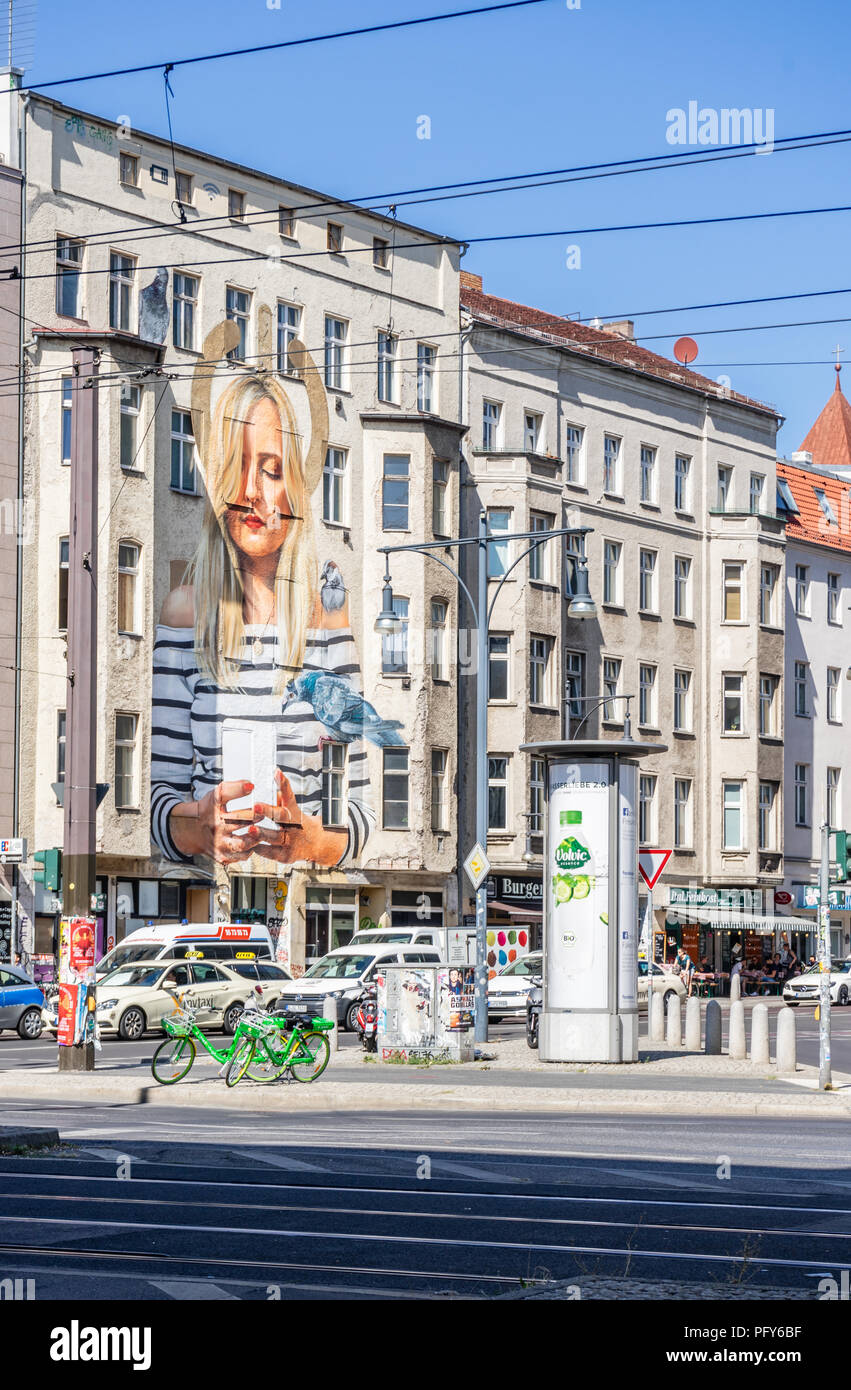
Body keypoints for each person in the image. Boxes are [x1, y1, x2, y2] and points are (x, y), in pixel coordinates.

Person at [151, 354, 380, 869]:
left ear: (295, 485)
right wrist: (196, 827)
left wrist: (310, 844)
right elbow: (157, 801)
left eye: (272, 470)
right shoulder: (185, 614)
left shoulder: (326, 618)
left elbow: (364, 811)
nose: (254, 491)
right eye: (238, 468)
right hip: (203, 893)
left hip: (308, 894)